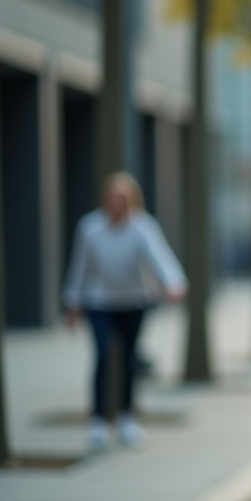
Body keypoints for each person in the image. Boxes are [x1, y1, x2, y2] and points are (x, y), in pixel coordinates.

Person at [62, 172, 187, 451]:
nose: (117, 203)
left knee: (130, 358)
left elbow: (160, 256)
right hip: (100, 301)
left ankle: (126, 418)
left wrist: (174, 283)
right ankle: (97, 419)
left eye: (123, 198)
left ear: (131, 200)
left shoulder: (143, 226)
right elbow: (79, 267)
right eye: (112, 197)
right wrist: (73, 302)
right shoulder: (90, 227)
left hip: (134, 301)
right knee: (104, 355)